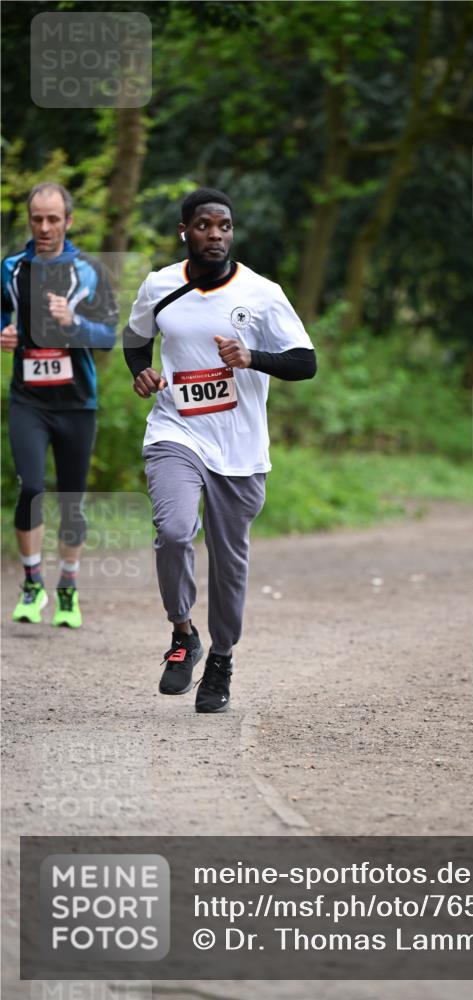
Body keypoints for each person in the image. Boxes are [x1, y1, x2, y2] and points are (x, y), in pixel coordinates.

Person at [123, 187, 316, 714]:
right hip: (175, 432)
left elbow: (305, 361)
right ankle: (183, 635)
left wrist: (252, 357)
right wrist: (141, 371)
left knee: (229, 563)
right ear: (185, 230)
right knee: (173, 530)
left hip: (240, 448)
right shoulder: (160, 285)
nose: (215, 234)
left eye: (224, 226)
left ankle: (222, 660)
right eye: (204, 225)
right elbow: (135, 339)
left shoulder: (261, 292)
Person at [1, 183, 118, 628]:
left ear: (68, 221)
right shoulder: (10, 270)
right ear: (29, 221)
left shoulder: (89, 271)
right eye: (37, 219)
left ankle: (67, 587)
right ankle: (32, 585)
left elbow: (108, 334)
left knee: (72, 501)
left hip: (76, 403)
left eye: (53, 219)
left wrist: (75, 324)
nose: (45, 227)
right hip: (27, 400)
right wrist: (4, 335)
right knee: (31, 488)